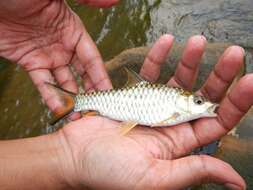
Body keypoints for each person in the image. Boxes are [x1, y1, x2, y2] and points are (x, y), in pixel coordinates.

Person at [0, 0, 250, 190]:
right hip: (108, 105)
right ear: (183, 101)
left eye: (199, 102)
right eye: (197, 101)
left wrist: (70, 158)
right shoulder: (176, 113)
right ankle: (75, 104)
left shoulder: (179, 112)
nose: (201, 105)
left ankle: (75, 105)